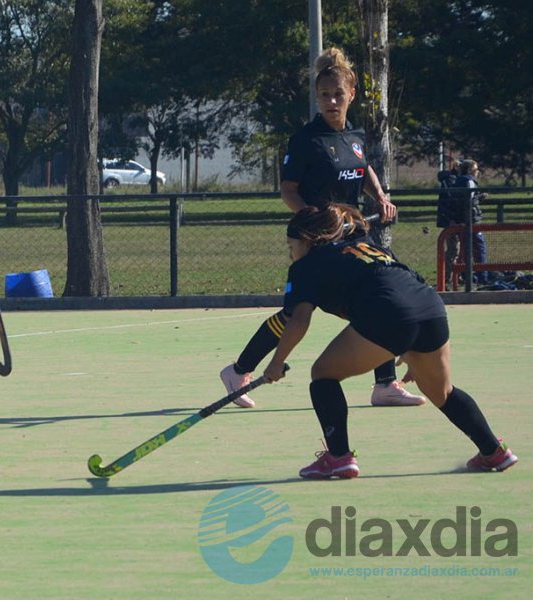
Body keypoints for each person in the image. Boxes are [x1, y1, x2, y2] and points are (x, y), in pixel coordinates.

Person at [219, 47, 425, 409]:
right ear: (317, 97)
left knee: (377, 298)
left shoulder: (356, 137)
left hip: (355, 233)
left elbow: (362, 170)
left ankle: (385, 385)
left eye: (338, 94)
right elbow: (288, 191)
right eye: (324, 95)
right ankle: (238, 371)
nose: (331, 101)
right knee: (297, 312)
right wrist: (314, 225)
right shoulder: (306, 140)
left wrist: (379, 196)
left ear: (352, 94)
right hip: (314, 240)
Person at [261, 204, 517, 478]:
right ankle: (494, 452)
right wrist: (411, 347)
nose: (290, 253)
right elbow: (407, 278)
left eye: (291, 245)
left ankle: (339, 457)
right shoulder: (364, 245)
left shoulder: (306, 266)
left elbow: (299, 320)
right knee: (442, 392)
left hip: (390, 314)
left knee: (323, 373)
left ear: (308, 240)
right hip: (429, 308)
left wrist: (276, 363)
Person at [437, 159, 488, 287]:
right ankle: (482, 276)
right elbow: (468, 201)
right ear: (471, 170)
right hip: (471, 220)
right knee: (479, 247)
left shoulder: (457, 181)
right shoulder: (469, 181)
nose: (477, 173)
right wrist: (479, 197)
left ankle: (465, 275)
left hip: (460, 220)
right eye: (476, 170)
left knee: (465, 249)